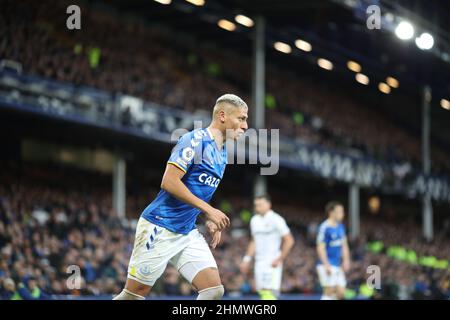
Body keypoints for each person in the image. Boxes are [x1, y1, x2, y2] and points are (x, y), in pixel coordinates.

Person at [114, 94, 248, 300]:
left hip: (186, 231)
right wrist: (209, 210)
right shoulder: (195, 140)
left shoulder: (222, 153)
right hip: (159, 226)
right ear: (222, 115)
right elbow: (169, 182)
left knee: (213, 290)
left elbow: (196, 191)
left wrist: (207, 217)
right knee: (133, 295)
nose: (245, 125)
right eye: (241, 118)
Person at [240, 194, 295, 299]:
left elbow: (289, 240)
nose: (257, 207)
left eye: (260, 205)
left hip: (272, 261)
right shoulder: (254, 220)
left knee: (270, 292)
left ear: (268, 205)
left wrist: (280, 258)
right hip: (259, 262)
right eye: (256, 205)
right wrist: (246, 259)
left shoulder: (276, 219)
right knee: (262, 292)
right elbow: (254, 241)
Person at [316, 201, 351, 300]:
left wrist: (346, 260)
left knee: (341, 293)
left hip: (337, 264)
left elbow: (344, 244)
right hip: (327, 264)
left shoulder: (341, 227)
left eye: (342, 212)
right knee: (329, 291)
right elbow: (320, 247)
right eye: (340, 212)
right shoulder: (324, 227)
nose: (342, 214)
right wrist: (326, 264)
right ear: (331, 213)